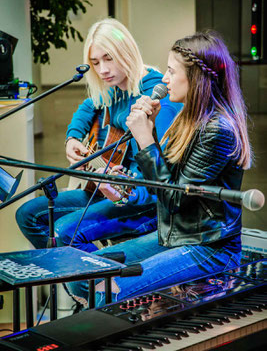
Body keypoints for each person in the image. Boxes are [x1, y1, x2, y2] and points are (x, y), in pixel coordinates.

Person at [66, 30, 252, 309]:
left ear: (195, 78)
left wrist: (144, 139)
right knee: (84, 274)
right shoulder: (187, 118)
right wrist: (144, 145)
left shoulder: (218, 130)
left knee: (110, 291)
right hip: (176, 234)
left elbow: (174, 198)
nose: (164, 79)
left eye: (170, 71)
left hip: (208, 248)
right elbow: (163, 183)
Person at [15, 18, 181, 253]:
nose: (102, 70)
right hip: (113, 188)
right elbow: (87, 107)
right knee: (27, 214)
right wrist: (72, 138)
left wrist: (124, 186)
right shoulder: (115, 88)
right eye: (95, 62)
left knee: (64, 231)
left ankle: (103, 279)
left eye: (108, 58)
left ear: (126, 53)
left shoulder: (154, 95)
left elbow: (165, 172)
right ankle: (86, 272)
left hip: (144, 200)